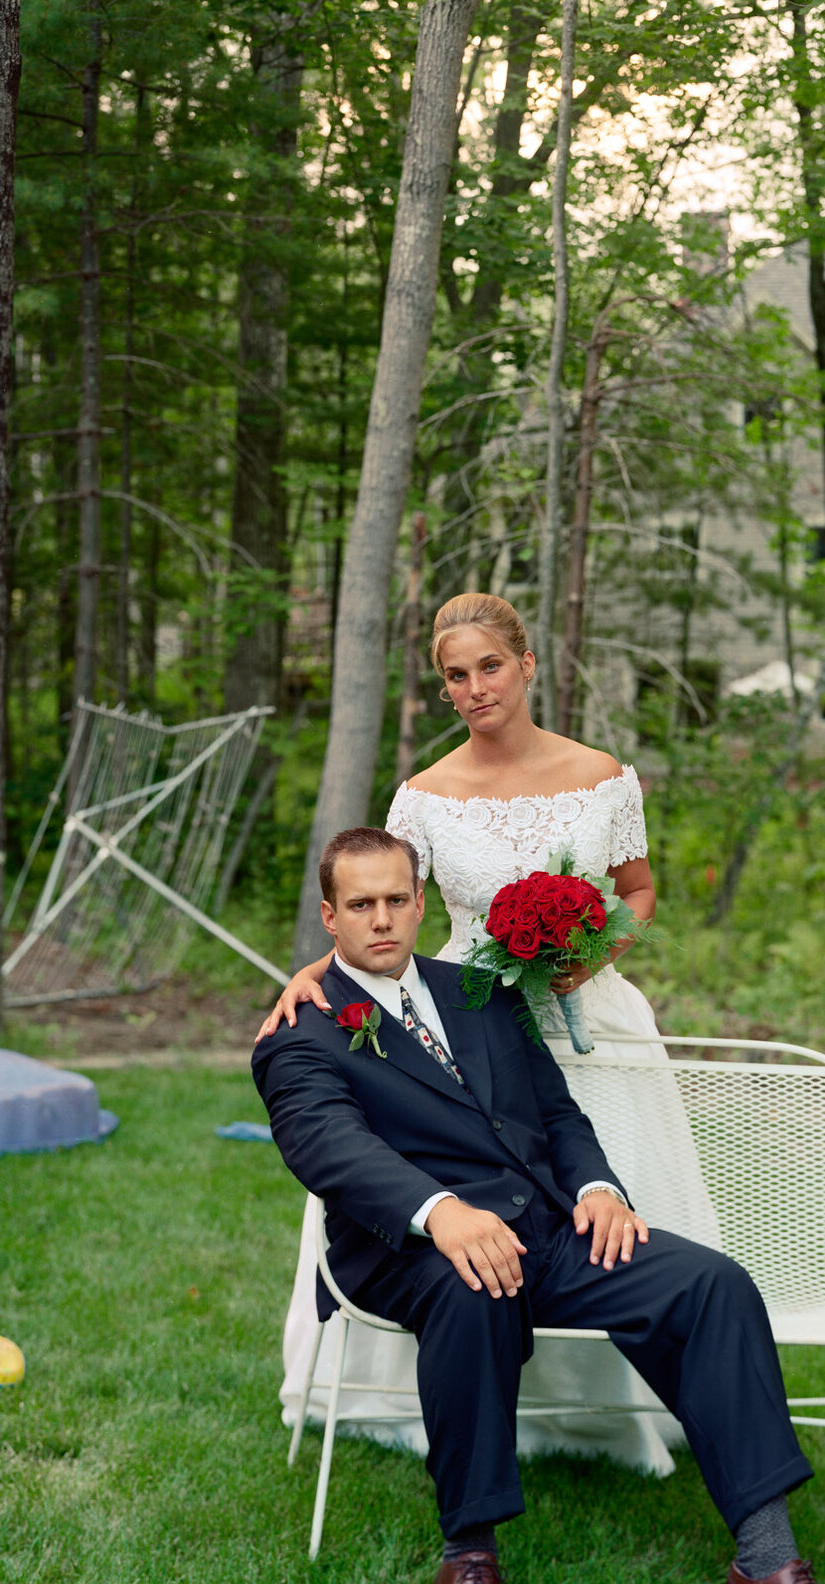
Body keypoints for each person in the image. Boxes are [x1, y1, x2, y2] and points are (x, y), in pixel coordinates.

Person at [254, 825, 825, 1584]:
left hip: (545, 1227)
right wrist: (440, 1212)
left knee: (710, 1284)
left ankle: (766, 1561)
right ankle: (469, 1555)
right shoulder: (305, 1027)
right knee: (473, 1287)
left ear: (421, 901)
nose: (383, 919)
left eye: (398, 899)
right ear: (330, 916)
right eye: (361, 905)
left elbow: (555, 1113)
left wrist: (597, 1188)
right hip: (407, 1249)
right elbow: (328, 1146)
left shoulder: (481, 991)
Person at [267, 591, 720, 1472]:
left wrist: (592, 952)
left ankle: (617, 1411)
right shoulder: (425, 795)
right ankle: (462, 1396)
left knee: (605, 1209)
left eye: (490, 668)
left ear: (527, 666)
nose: (475, 688)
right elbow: (380, 904)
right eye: (455, 675)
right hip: (465, 1022)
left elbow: (638, 891)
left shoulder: (602, 774)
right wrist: (307, 973)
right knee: (463, 1211)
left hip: (590, 1024)